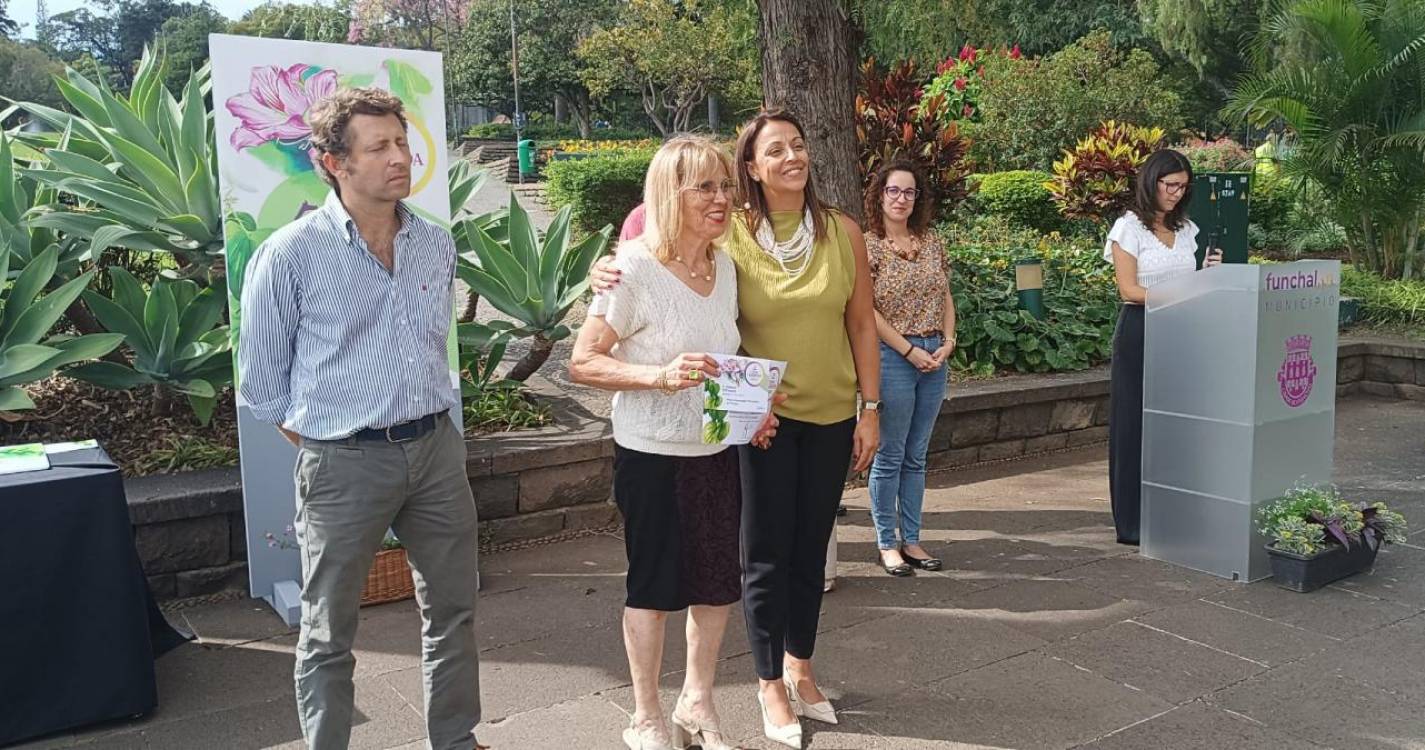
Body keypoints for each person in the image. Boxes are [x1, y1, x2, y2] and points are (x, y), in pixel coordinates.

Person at [594, 109, 881, 748]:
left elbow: (862, 322)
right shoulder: (735, 236)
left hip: (818, 416)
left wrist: (871, 406)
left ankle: (792, 672)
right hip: (754, 426)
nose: (792, 158)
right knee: (756, 558)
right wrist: (604, 272)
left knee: (804, 552)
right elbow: (653, 236)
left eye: (799, 146)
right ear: (752, 165)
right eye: (774, 150)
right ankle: (762, 684)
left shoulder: (838, 232)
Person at [239, 87, 486, 750]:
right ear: (332, 163)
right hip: (342, 462)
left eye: (401, 143)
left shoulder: (435, 244)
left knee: (454, 612)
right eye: (378, 147)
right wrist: (336, 442)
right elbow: (262, 389)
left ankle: (456, 740)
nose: (399, 158)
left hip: (436, 449)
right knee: (327, 629)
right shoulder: (289, 255)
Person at [570, 135, 778, 750]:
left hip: (715, 454)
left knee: (716, 586)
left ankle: (698, 704)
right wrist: (657, 377)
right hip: (651, 457)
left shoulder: (726, 268)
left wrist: (753, 411)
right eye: (706, 188)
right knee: (654, 590)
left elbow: (728, 358)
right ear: (670, 193)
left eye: (725, 186)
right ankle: (645, 717)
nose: (723, 199)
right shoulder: (631, 268)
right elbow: (583, 361)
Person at [1105, 148, 1222, 546]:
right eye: (1170, 185)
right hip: (1141, 328)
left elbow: (1192, 284)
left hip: (1181, 330)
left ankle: (1173, 508)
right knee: (1133, 424)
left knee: (1176, 424)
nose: (1175, 193)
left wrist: (1206, 275)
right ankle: (1132, 521)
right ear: (1151, 181)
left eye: (1183, 187)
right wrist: (1178, 294)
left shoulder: (1186, 228)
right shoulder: (1129, 228)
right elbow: (1129, 289)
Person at [863, 160, 956, 577]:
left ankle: (912, 539)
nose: (901, 199)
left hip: (935, 354)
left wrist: (948, 341)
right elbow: (866, 310)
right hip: (893, 356)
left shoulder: (932, 242)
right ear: (879, 194)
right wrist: (907, 351)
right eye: (893, 191)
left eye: (909, 192)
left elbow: (945, 294)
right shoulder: (868, 245)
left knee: (917, 455)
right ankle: (887, 543)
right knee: (890, 453)